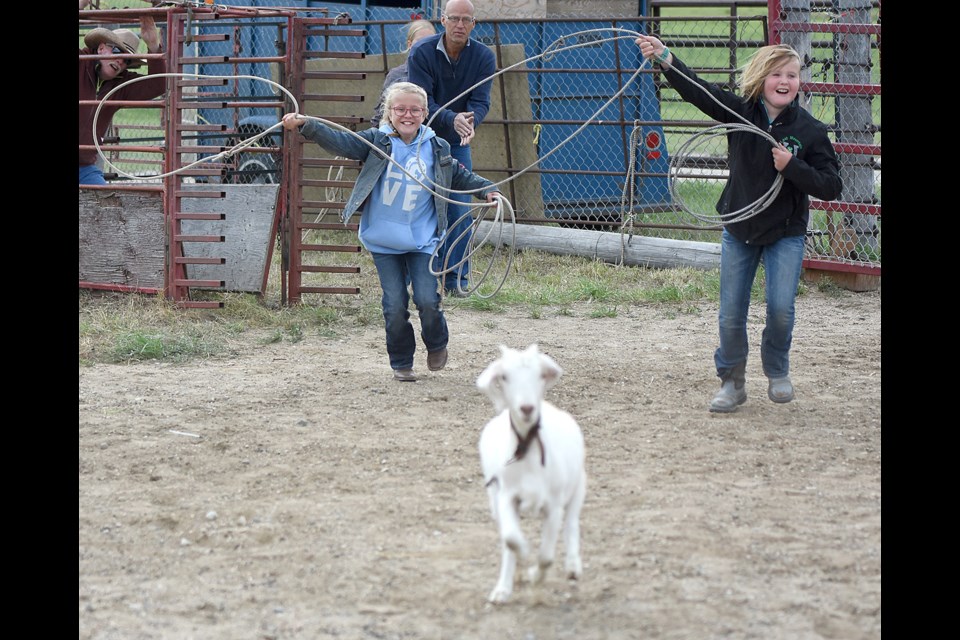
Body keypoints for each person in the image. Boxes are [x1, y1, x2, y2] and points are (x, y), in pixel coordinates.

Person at [636, 35, 842, 413]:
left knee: (781, 308)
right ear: (762, 78)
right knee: (731, 312)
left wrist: (792, 167)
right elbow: (702, 92)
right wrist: (666, 58)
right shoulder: (741, 113)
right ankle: (732, 380)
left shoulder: (810, 131)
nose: (784, 81)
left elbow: (831, 185)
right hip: (740, 229)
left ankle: (777, 369)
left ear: (799, 82)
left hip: (785, 232)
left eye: (792, 75)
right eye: (777, 74)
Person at [281, 82, 501, 382]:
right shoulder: (377, 141)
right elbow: (342, 142)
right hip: (383, 240)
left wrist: (487, 189)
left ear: (425, 113)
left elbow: (459, 177)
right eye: (400, 109)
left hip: (422, 240)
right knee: (394, 303)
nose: (407, 115)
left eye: (414, 109)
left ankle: (437, 342)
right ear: (389, 112)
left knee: (427, 298)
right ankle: (401, 361)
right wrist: (308, 125)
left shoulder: (438, 147)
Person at [407, 0, 496, 296]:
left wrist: (470, 122)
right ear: (443, 20)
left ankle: (456, 280)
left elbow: (481, 101)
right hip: (421, 140)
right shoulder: (422, 53)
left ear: (474, 24)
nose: (460, 25)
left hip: (456, 144)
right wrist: (451, 118)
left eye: (466, 20)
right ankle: (419, 280)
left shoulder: (483, 57)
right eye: (454, 18)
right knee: (420, 207)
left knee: (460, 209)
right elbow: (421, 103)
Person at [79, 0, 166, 185]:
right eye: (117, 51)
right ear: (101, 48)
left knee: (103, 202)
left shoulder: (121, 85)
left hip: (84, 167)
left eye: (127, 60)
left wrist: (152, 45)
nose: (120, 61)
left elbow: (158, 85)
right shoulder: (80, 62)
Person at [371, 19, 437, 125]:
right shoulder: (396, 76)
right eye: (420, 42)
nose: (425, 47)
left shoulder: (441, 75)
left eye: (430, 42)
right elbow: (381, 114)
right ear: (410, 44)